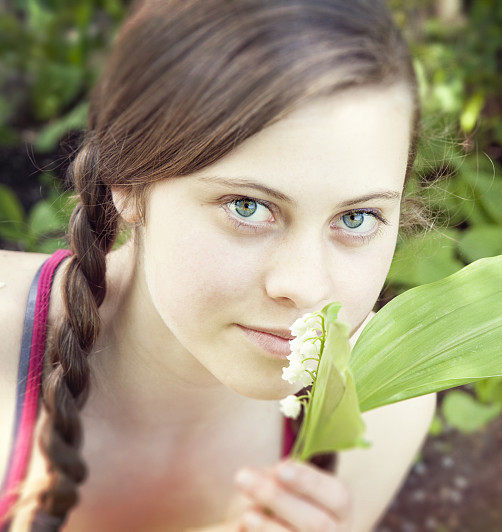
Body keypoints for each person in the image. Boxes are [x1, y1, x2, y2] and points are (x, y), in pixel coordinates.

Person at [0, 0, 439, 530]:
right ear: (128, 183)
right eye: (247, 207)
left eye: (357, 218)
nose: (304, 287)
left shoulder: (379, 406)